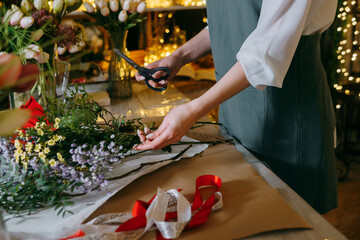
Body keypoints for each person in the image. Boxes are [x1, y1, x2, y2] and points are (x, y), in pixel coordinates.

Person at [135, 0, 338, 214]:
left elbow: (265, 51)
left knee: (288, 221)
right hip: (235, 111)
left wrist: (193, 110)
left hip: (287, 118)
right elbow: (228, 22)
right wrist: (178, 57)